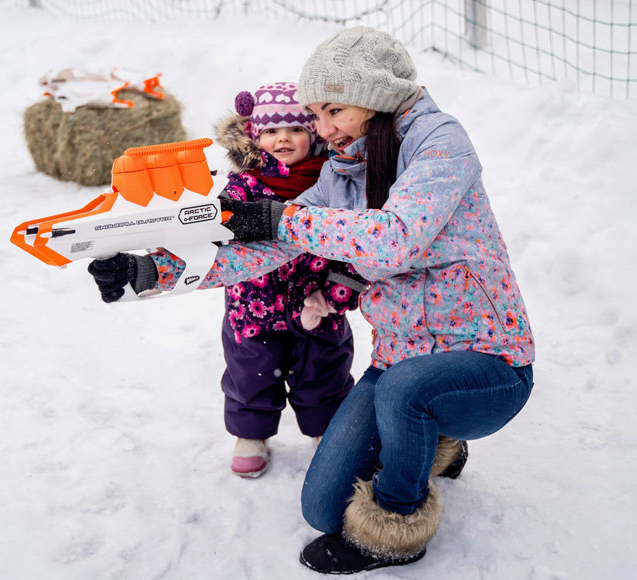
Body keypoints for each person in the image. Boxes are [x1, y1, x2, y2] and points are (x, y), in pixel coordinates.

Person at [87, 26, 535, 574]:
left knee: (403, 391)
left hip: (489, 361)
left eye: (332, 112)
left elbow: (396, 237)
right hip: (403, 357)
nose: (320, 129)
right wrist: (150, 271)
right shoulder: (339, 175)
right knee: (322, 507)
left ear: (374, 99)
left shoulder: (439, 144)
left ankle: (394, 532)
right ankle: (433, 441)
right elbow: (263, 250)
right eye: (314, 115)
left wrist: (286, 216)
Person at [212, 82, 365, 478]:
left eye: (295, 129)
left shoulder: (335, 183)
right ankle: (251, 434)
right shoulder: (242, 186)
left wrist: (333, 295)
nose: (283, 139)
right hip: (252, 307)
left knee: (324, 372)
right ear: (254, 137)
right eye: (271, 131)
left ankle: (326, 432)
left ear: (312, 133)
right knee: (250, 373)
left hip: (317, 304)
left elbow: (354, 245)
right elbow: (224, 237)